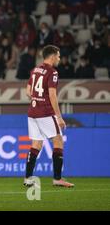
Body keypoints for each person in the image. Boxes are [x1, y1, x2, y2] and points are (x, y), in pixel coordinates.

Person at [24, 45, 74, 188]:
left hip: (32, 112)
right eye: (58, 56)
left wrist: (36, 100)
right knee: (58, 141)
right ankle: (57, 179)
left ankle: (28, 178)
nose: (59, 58)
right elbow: (52, 95)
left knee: (36, 144)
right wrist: (59, 117)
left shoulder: (35, 70)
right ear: (52, 56)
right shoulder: (52, 72)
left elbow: (28, 92)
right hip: (45, 112)